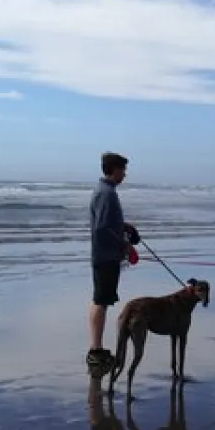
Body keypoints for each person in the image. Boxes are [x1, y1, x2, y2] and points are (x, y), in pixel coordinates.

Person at [87, 151, 139, 378]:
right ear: (113, 169)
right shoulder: (106, 193)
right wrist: (125, 246)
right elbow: (101, 229)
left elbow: (108, 223)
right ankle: (95, 351)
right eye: (123, 170)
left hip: (105, 255)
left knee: (100, 299)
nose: (124, 174)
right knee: (101, 300)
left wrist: (125, 226)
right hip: (105, 256)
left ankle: (96, 348)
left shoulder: (106, 192)